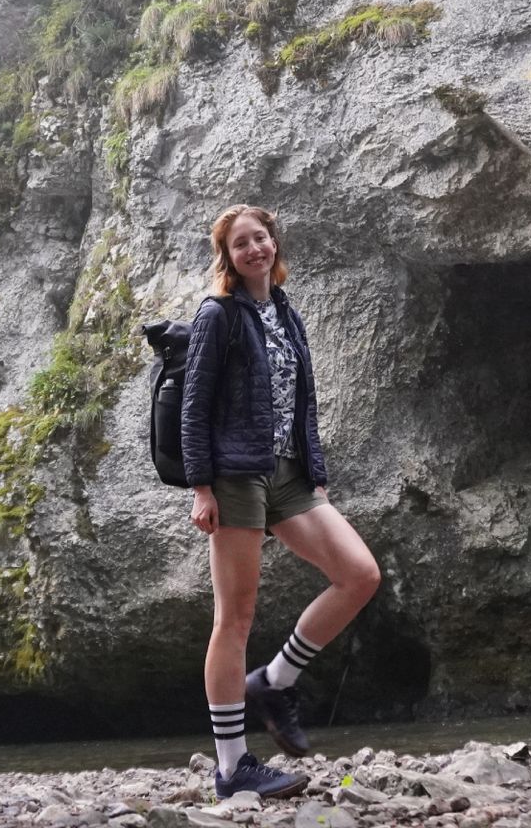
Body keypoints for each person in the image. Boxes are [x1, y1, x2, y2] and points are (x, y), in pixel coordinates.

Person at [180, 204, 382, 800]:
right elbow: (195, 408)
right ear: (228, 257)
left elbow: (304, 403)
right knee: (234, 617)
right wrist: (202, 490)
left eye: (260, 238)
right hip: (237, 478)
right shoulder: (217, 314)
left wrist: (314, 475)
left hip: (289, 476)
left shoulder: (286, 313)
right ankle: (232, 766)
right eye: (240, 244)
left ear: (274, 244)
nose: (253, 250)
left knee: (359, 574)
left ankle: (273, 680)